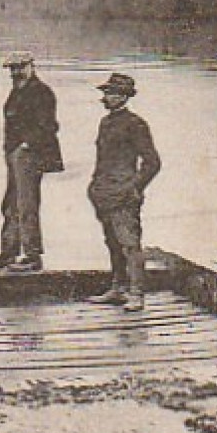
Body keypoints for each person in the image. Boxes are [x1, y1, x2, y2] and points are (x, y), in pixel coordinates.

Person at [85, 73, 161, 312]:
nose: (107, 97)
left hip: (124, 195)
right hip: (103, 192)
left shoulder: (136, 124)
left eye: (113, 93)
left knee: (130, 244)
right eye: (106, 93)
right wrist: (94, 186)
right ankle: (118, 288)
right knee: (112, 243)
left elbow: (152, 163)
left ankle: (137, 293)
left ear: (125, 97)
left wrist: (134, 188)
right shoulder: (105, 123)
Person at [0, 52, 62, 274]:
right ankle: (8, 253)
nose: (15, 72)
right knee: (10, 204)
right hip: (14, 155)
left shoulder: (42, 92)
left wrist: (26, 146)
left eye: (19, 68)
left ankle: (32, 256)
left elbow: (50, 126)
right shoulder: (17, 91)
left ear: (31, 66)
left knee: (27, 205)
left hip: (29, 156)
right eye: (12, 69)